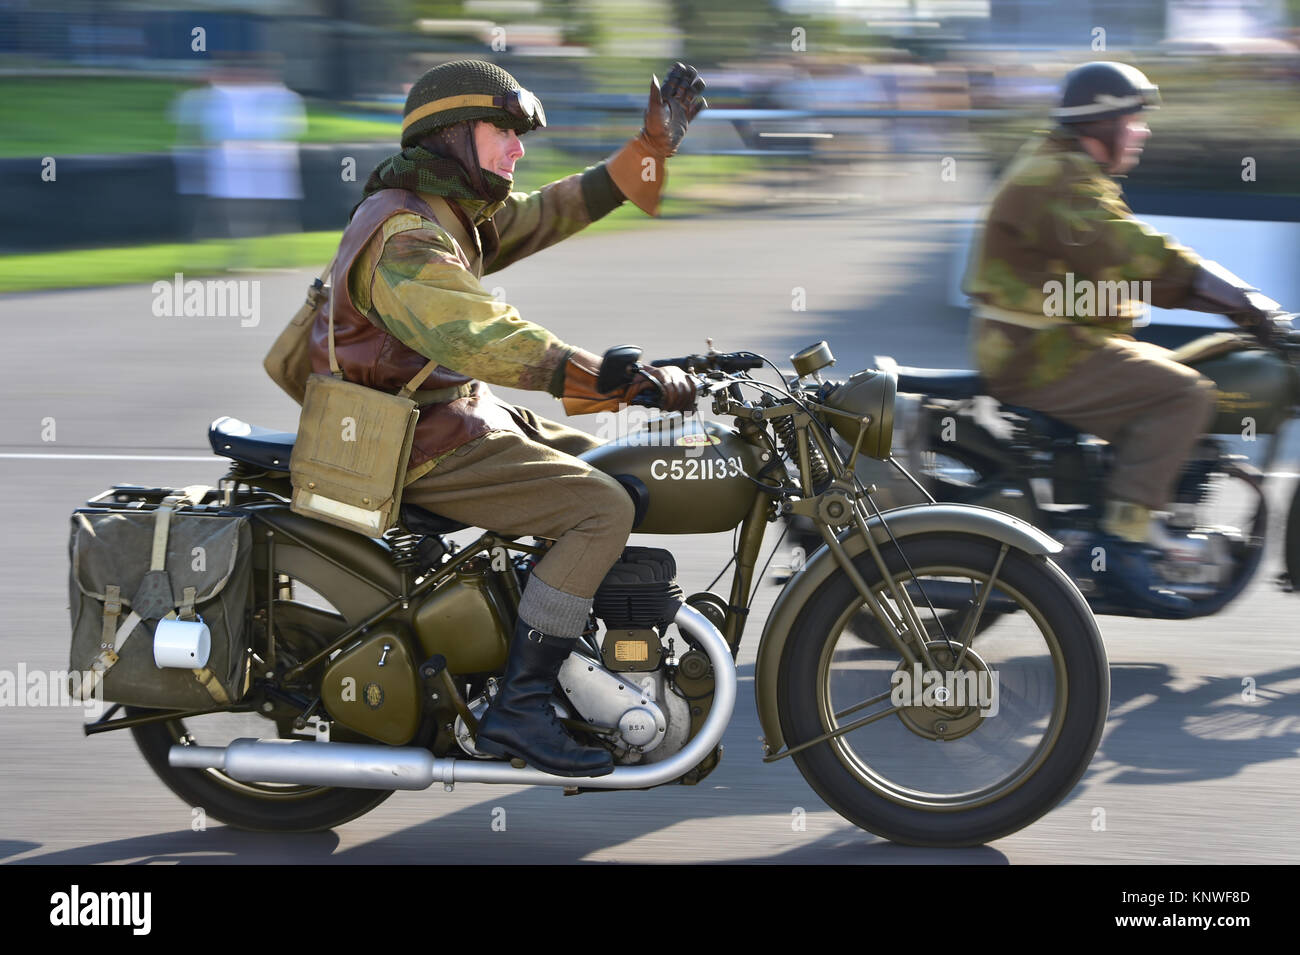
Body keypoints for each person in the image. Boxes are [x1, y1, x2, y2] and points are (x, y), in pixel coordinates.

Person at [308, 59, 705, 775]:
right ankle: (518, 707)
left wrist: (647, 156)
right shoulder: (404, 235)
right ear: (454, 134)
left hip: (454, 418)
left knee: (613, 469)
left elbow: (548, 212)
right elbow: (475, 334)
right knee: (600, 510)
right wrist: (605, 377)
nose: (519, 150)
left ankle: (554, 644)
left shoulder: (446, 211)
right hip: (415, 442)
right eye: (506, 132)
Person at [963, 61, 1283, 612]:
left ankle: (1130, 505)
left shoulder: (1065, 168)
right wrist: (1248, 302)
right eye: (1134, 119)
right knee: (1184, 394)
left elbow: (1144, 272)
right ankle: (1123, 542)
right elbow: (1142, 254)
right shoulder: (1061, 181)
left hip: (1051, 343)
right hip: (1041, 354)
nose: (1143, 131)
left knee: (1187, 370)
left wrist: (1236, 310)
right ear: (1103, 123)